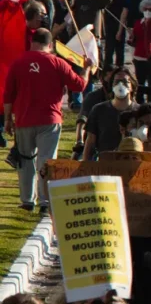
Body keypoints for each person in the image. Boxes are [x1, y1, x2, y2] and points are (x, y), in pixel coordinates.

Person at [3, 27, 89, 210]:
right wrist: (86, 69)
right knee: (47, 160)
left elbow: (8, 95)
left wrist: (8, 120)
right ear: (50, 45)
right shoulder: (58, 63)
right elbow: (79, 86)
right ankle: (45, 200)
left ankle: (27, 200)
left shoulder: (18, 63)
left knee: (25, 161)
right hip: (50, 119)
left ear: (32, 42)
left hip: (24, 119)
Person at [83, 66, 137, 157]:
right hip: (105, 165)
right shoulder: (98, 110)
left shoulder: (140, 111)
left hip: (133, 164)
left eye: (125, 81)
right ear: (112, 86)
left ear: (132, 86)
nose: (121, 85)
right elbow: (90, 140)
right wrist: (84, 165)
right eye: (117, 82)